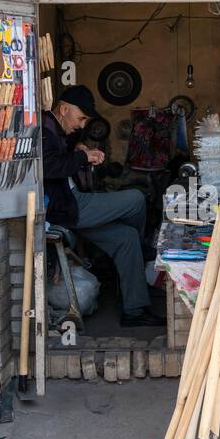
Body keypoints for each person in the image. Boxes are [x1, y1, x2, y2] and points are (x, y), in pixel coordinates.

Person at [42, 85, 164, 327]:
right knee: (136, 199)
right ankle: (143, 249)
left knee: (126, 238)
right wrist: (82, 157)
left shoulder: (60, 128)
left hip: (72, 207)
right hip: (68, 207)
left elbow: (66, 148)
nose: (82, 125)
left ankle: (135, 310)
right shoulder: (44, 128)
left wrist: (78, 147)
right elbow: (48, 166)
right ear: (64, 109)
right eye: (81, 118)